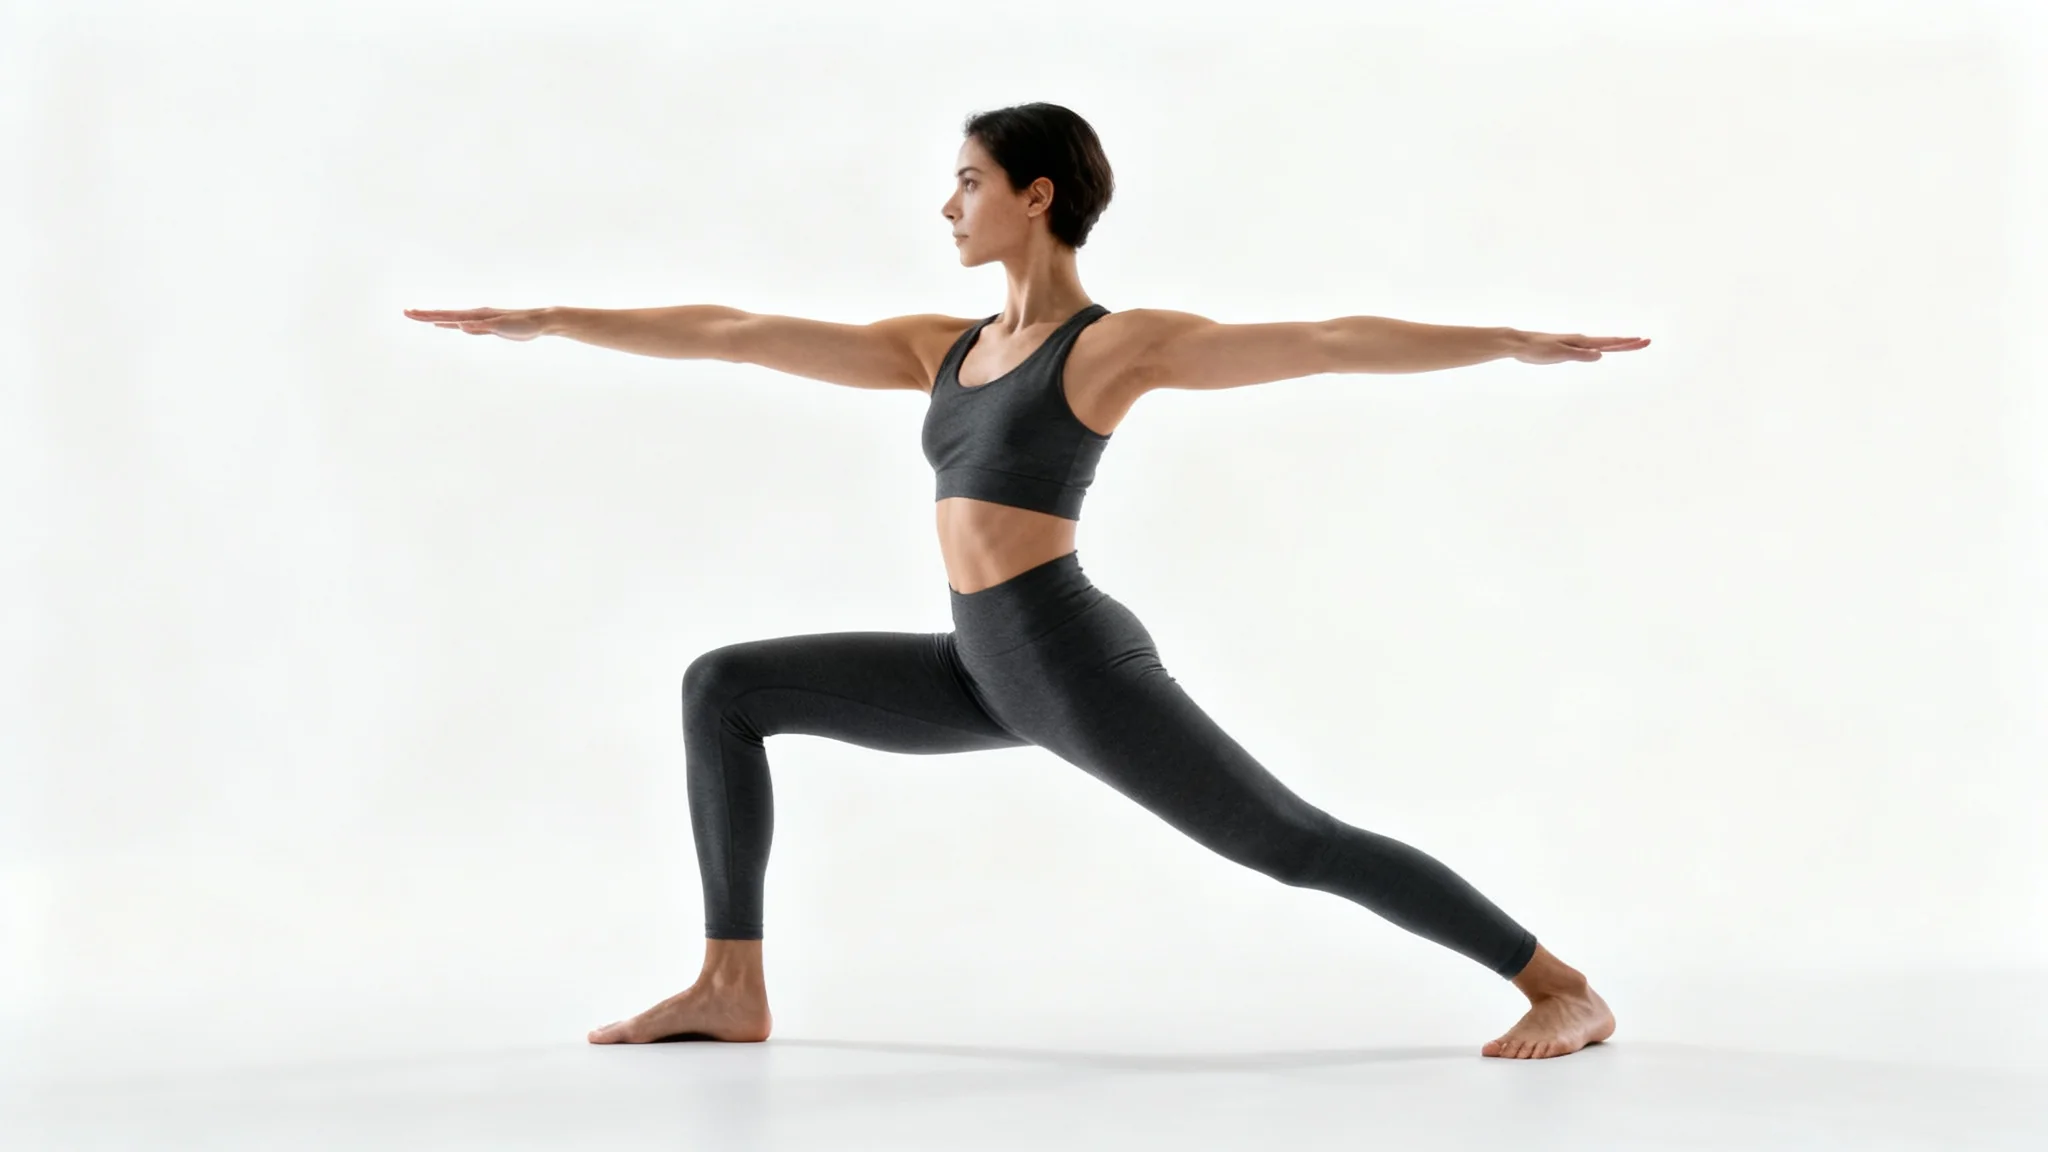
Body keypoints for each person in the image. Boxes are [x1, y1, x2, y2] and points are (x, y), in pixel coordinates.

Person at [404, 102, 1645, 1060]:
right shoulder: (940, 351)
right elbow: (736, 331)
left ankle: (1557, 986)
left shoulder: (1109, 349)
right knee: (724, 685)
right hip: (977, 666)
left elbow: (1319, 343)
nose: (945, 204)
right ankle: (731, 986)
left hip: (1065, 663)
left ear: (1032, 195)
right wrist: (557, 317)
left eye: (966, 181)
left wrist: (1505, 341)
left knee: (1287, 843)